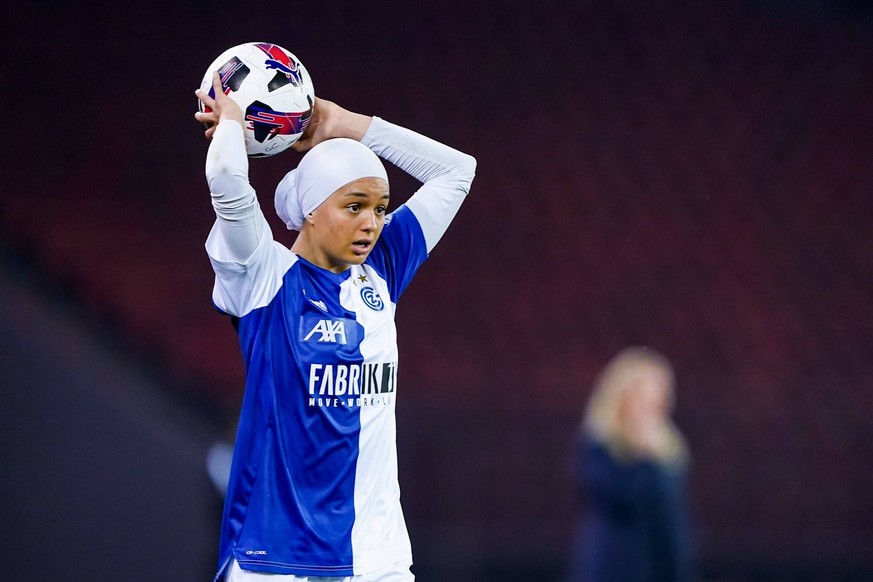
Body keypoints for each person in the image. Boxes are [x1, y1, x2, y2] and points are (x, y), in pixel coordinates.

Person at [194, 71, 476, 582]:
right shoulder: (264, 278)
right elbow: (229, 187)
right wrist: (234, 128)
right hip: (275, 561)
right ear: (310, 209)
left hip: (377, 558)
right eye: (354, 206)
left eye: (380, 209)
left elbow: (458, 171)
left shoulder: (381, 271)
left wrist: (347, 124)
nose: (372, 223)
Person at [566, 347, 695, 582]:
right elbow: (621, 495)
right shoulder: (600, 445)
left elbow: (671, 519)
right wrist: (645, 457)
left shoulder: (670, 450)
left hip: (658, 567)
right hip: (612, 568)